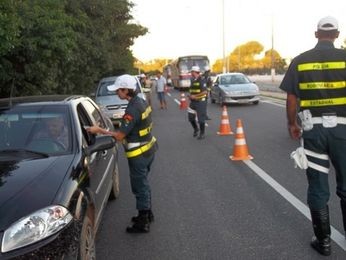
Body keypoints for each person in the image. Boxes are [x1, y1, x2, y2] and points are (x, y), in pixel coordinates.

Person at [279, 16, 346, 256]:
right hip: (343, 131)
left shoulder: (300, 61)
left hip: (313, 131)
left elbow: (291, 98)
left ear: (316, 34)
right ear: (337, 35)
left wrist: (291, 124)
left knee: (318, 188)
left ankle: (324, 242)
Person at [87, 74, 157, 233]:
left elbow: (119, 136)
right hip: (149, 148)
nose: (116, 93)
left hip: (139, 153)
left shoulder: (132, 109)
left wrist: (99, 130)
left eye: (118, 90)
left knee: (139, 186)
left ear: (126, 90)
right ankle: (147, 213)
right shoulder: (141, 101)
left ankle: (143, 221)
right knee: (144, 184)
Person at [188, 65, 208, 140]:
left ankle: (202, 133)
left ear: (194, 72)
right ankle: (196, 129)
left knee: (201, 119)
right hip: (193, 102)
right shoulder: (193, 79)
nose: (191, 73)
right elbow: (192, 89)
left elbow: (205, 92)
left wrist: (195, 96)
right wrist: (190, 95)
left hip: (200, 102)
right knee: (190, 117)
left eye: (191, 72)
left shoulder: (202, 79)